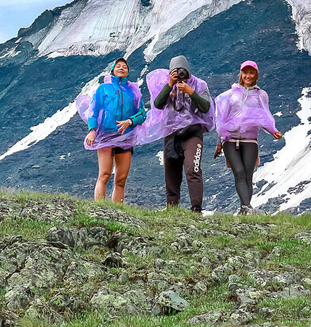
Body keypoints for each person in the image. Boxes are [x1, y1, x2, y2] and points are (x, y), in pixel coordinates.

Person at [213, 61, 283, 215]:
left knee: (248, 175)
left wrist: (273, 131)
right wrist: (219, 143)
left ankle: (245, 209)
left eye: (251, 73)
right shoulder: (231, 94)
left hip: (250, 139)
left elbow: (263, 116)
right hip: (230, 140)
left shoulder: (261, 95)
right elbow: (224, 119)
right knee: (238, 171)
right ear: (241, 74)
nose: (248, 76)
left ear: (256, 75)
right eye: (245, 72)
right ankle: (247, 207)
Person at [147, 56, 215, 213]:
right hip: (171, 134)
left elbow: (205, 107)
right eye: (175, 72)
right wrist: (170, 85)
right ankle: (173, 211)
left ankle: (196, 209)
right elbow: (158, 104)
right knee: (171, 174)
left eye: (182, 71)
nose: (180, 75)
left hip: (192, 133)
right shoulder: (166, 85)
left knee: (193, 168)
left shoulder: (199, 85)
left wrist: (190, 92)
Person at [82, 58, 146, 202]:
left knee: (121, 179)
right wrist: (92, 130)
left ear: (128, 71)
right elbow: (93, 110)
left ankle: (117, 212)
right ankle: (99, 209)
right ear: (112, 70)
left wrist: (129, 122)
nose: (122, 68)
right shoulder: (103, 88)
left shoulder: (133, 91)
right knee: (104, 174)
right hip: (106, 135)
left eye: (124, 66)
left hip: (126, 137)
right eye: (118, 66)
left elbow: (142, 114)